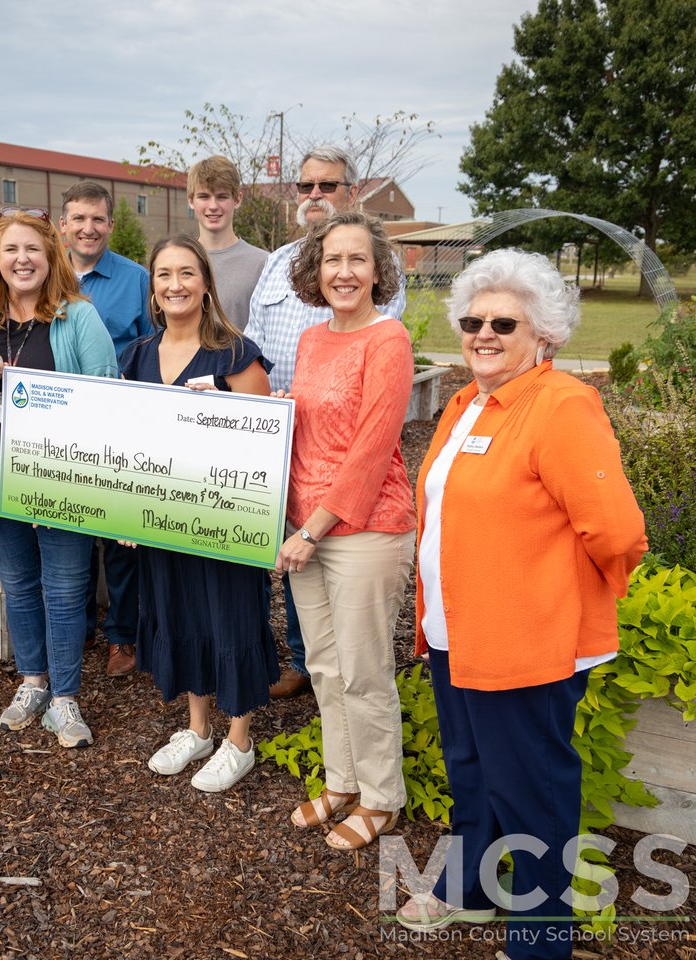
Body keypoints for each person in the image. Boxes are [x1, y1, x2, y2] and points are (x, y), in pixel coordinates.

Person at [395, 249, 647, 960]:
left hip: (528, 644)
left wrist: (564, 603)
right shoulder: (466, 401)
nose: (483, 333)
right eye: (473, 319)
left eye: (503, 322)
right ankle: (470, 891)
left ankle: (541, 944)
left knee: (531, 791)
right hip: (458, 633)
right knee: (471, 769)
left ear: (544, 335)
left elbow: (618, 531)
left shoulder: (561, 406)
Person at [0, 208, 118, 749]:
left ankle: (65, 698)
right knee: (19, 586)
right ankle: (32, 683)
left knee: (64, 589)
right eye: (11, 250)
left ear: (50, 256)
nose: (23, 259)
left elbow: (108, 393)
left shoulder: (76, 316)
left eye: (33, 249)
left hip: (63, 482)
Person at [246, 145, 408, 700]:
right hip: (284, 444)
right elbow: (253, 348)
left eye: (327, 186)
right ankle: (299, 662)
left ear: (350, 192)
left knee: (358, 666)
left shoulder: (381, 320)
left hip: (348, 471)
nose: (314, 195)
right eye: (306, 186)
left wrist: (316, 525)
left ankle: (376, 787)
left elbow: (373, 430)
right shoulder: (278, 266)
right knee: (321, 650)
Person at [275, 211, 416, 849]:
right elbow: (315, 425)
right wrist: (279, 417)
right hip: (306, 526)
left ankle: (383, 797)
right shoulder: (312, 340)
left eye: (358, 260)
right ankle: (342, 782)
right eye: (333, 260)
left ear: (378, 270)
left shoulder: (388, 339)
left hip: (363, 526)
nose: (344, 272)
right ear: (316, 268)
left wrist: (313, 528)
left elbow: (370, 447)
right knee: (326, 667)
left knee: (363, 670)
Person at [120, 235, 279, 792]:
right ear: (153, 288)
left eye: (186, 273)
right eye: (164, 275)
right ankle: (198, 729)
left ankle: (240, 738)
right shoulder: (136, 356)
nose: (175, 285)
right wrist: (126, 517)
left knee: (229, 617)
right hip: (162, 526)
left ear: (206, 282)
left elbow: (267, 442)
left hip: (225, 523)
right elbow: (126, 447)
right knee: (181, 615)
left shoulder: (236, 355)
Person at [58, 180, 151, 677]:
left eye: (98, 219)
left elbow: (152, 347)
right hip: (60, 426)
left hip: (119, 422)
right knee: (68, 529)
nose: (88, 228)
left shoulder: (136, 279)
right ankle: (75, 629)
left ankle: (122, 636)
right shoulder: (46, 277)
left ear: (111, 226)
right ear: (63, 225)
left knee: (120, 537)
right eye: (79, 218)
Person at [187, 155, 267, 330]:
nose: (213, 206)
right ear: (191, 200)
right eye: (204, 197)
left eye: (222, 197)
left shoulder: (263, 264)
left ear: (237, 199)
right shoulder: (179, 260)